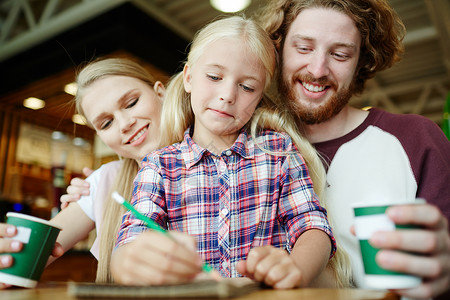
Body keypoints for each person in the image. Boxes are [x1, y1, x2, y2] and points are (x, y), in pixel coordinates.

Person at [110, 15, 341, 289]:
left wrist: (295, 269)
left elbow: (312, 226)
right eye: (214, 77)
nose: (228, 94)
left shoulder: (279, 152)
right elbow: (130, 239)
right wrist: (125, 261)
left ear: (258, 97)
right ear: (188, 78)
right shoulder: (159, 166)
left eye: (247, 87)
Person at [256, 0, 450, 299]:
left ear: (362, 61)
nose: (318, 69)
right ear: (278, 50)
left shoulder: (415, 138)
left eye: (340, 54)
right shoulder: (249, 148)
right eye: (304, 48)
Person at [0, 57, 166, 287]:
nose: (124, 123)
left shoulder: (222, 160)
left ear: (161, 93)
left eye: (131, 103)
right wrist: (7, 250)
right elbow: (23, 260)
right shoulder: (104, 182)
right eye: (106, 123)